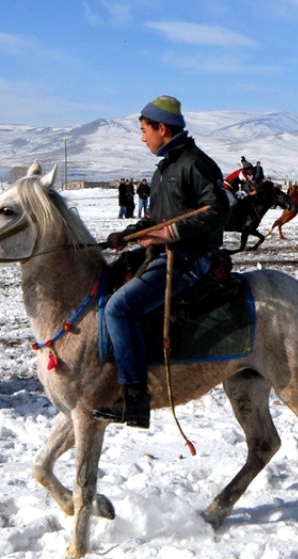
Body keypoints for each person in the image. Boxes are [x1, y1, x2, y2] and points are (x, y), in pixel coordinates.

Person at [92, 95, 230, 429]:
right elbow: (155, 217)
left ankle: (136, 400)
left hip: (191, 257)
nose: (142, 138)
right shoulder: (165, 168)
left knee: (119, 309)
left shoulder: (195, 163)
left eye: (144, 130)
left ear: (162, 129)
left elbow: (218, 211)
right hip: (166, 250)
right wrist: (126, 234)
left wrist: (172, 232)